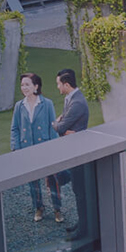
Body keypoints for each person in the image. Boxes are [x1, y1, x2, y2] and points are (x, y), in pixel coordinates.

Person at [11, 72, 62, 223]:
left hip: (45, 148)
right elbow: (15, 128)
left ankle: (57, 209)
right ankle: (38, 207)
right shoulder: (19, 106)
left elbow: (52, 127)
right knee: (33, 181)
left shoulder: (47, 104)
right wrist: (17, 148)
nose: (24, 88)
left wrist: (54, 149)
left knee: (52, 179)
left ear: (36, 86)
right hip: (28, 149)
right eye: (22, 85)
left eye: (27, 84)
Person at [53, 69, 91, 242]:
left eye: (59, 84)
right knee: (78, 190)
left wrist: (56, 123)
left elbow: (60, 128)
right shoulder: (71, 99)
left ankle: (84, 228)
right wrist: (63, 125)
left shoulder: (77, 103)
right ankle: (82, 223)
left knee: (81, 191)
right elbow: (65, 127)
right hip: (75, 150)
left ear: (67, 85)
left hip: (80, 152)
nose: (58, 87)